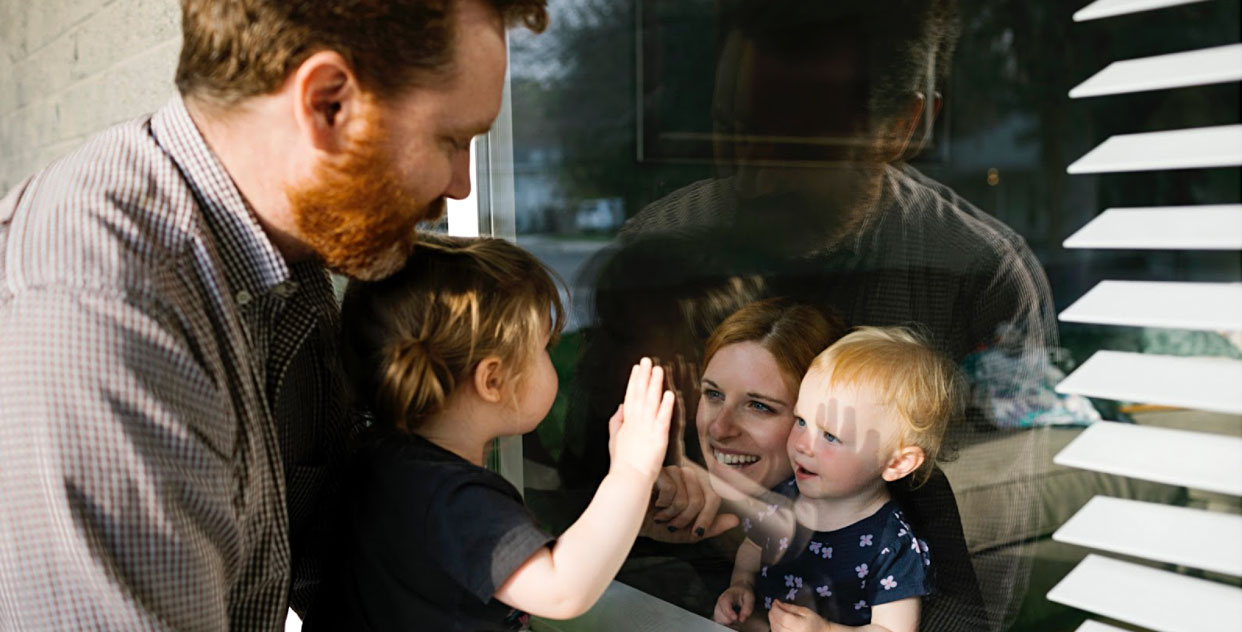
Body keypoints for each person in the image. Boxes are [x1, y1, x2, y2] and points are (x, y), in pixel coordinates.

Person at [0, 0, 547, 628]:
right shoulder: (103, 317)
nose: (460, 186)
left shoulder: (290, 262)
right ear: (327, 104)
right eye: (451, 140)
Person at [306, 235, 674, 630]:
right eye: (544, 347)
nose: (555, 356)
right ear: (494, 381)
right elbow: (564, 589)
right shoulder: (451, 499)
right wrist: (632, 471)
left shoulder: (386, 465)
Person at [714, 327, 962, 632]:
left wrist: (826, 631)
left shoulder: (891, 545)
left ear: (897, 463)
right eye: (801, 421)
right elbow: (753, 547)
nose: (803, 444)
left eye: (830, 436)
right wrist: (741, 585)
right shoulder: (785, 496)